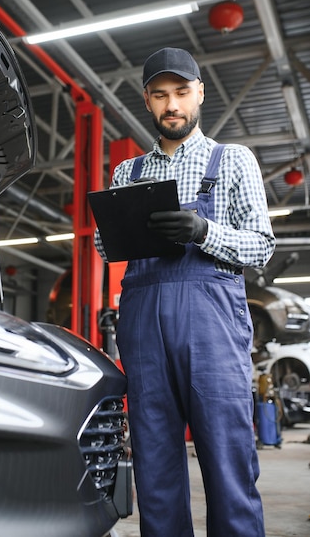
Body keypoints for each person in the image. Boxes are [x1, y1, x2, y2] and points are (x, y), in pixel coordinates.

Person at [94, 47, 276, 537]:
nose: (171, 104)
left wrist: (202, 231)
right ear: (148, 102)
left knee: (227, 457)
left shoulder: (233, 160)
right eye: (160, 95)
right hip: (143, 326)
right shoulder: (126, 173)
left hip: (210, 324)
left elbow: (261, 246)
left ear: (199, 93)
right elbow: (104, 246)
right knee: (154, 464)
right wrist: (115, 228)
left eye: (180, 92)